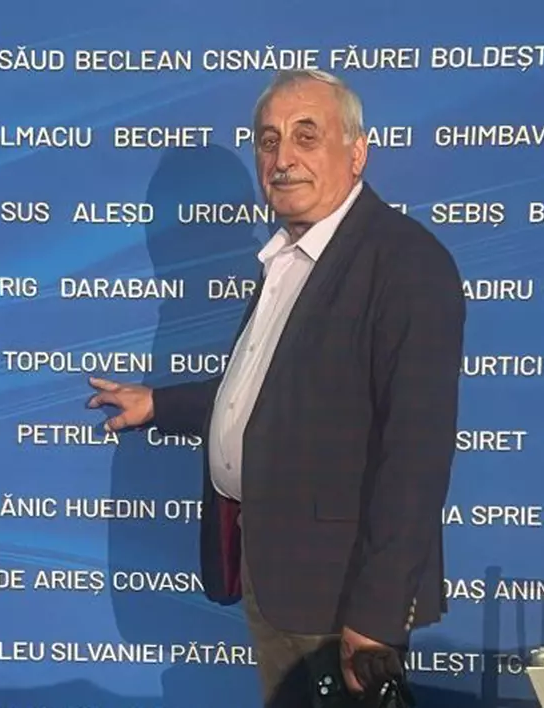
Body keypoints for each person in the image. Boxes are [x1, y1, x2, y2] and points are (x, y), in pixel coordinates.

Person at [87, 68, 466, 706]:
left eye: (305, 136)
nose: (283, 158)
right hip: (275, 573)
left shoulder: (404, 263)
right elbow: (276, 393)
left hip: (340, 596)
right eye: (268, 141)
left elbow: (417, 458)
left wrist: (376, 616)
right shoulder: (286, 260)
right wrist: (160, 404)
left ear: (357, 152)